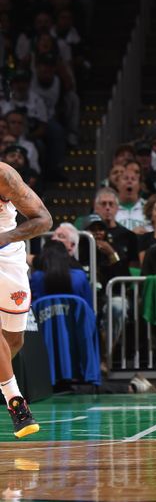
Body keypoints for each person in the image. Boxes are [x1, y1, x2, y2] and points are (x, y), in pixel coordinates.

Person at [0, 160, 52, 437]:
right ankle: (16, 403)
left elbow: (44, 219)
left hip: (7, 256)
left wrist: (7, 236)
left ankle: (5, 383)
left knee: (13, 341)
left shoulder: (4, 175)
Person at [30, 240, 92, 309]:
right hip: (76, 318)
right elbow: (88, 305)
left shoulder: (37, 277)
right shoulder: (79, 276)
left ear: (43, 257)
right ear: (66, 255)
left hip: (45, 318)